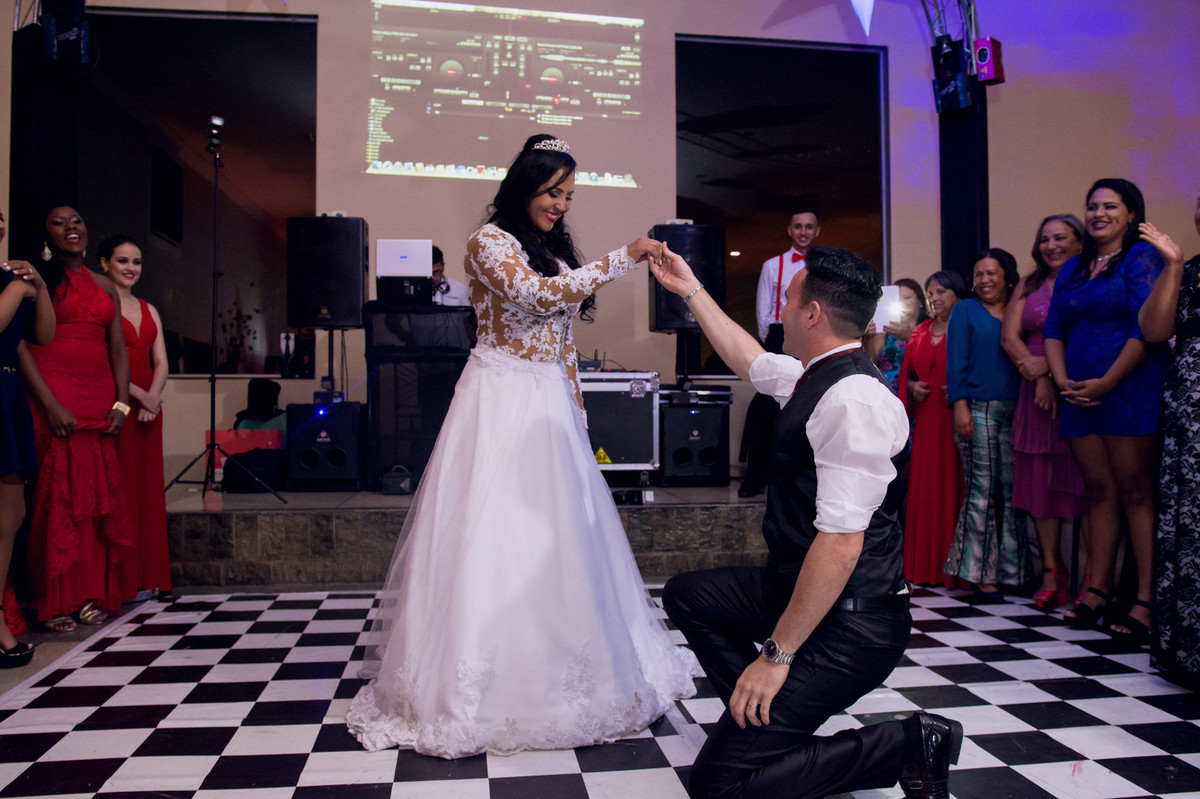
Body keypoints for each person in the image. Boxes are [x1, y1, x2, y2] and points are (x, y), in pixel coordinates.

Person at [346, 134, 699, 758]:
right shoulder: (489, 244)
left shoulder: (552, 251)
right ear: (523, 187)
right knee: (494, 537)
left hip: (547, 404)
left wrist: (577, 410)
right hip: (499, 400)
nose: (562, 205)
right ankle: (478, 693)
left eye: (568, 195)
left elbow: (561, 340)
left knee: (558, 543)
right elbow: (536, 298)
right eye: (552, 192)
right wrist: (627, 255)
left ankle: (573, 677)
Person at [653, 243, 962, 799]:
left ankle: (906, 743)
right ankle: (763, 728)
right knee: (688, 595)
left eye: (789, 302)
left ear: (813, 314)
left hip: (853, 625)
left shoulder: (855, 402)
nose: (779, 313)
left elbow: (842, 545)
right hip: (800, 593)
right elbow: (748, 357)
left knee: (719, 787)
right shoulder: (815, 377)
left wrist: (776, 656)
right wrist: (690, 289)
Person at [1044, 178, 1168, 644]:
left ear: (1131, 214)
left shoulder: (1142, 258)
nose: (1098, 213)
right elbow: (1055, 326)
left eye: (1109, 206)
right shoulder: (1076, 266)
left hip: (1128, 386)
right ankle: (1098, 587)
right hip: (1077, 392)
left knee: (1135, 489)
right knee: (1099, 490)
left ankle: (1145, 599)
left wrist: (1108, 381)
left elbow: (1147, 327)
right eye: (1092, 206)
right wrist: (1060, 380)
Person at [17, 206, 133, 632]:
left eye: (78, 221)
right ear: (44, 235)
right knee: (59, 503)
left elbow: (117, 349)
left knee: (95, 501)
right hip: (54, 398)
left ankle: (89, 592)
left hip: (99, 403)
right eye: (59, 222)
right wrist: (49, 405)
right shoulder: (33, 280)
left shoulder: (103, 284)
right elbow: (18, 346)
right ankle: (55, 600)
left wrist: (121, 404)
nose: (71, 227)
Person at [1001, 215, 1089, 610]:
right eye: (1045, 239)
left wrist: (1053, 374)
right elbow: (1010, 336)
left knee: (1086, 484)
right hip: (1034, 395)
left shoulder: (1089, 277)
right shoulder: (1030, 283)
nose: (1051, 245)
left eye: (1061, 238)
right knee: (1039, 486)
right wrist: (1035, 373)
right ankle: (1053, 570)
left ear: (1078, 241)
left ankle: (1092, 576)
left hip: (1078, 385)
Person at [1136, 200, 1198, 678]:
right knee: (1186, 520)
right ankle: (1185, 652)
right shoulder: (1188, 271)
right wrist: (1174, 264)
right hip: (1188, 408)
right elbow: (1154, 330)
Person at [944, 249, 1027, 597]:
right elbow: (956, 361)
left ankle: (1013, 571)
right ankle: (977, 573)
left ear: (1008, 275)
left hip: (1018, 410)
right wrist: (959, 405)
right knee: (981, 492)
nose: (984, 280)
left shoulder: (1020, 309)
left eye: (991, 273)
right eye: (978, 274)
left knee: (1012, 492)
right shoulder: (965, 310)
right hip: (976, 408)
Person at [99, 235, 172, 602]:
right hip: (120, 402)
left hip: (149, 409)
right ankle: (120, 581)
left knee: (146, 488)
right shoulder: (101, 305)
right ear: (104, 264)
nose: (130, 268)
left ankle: (147, 576)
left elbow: (161, 361)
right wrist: (140, 395)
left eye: (136, 262)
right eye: (123, 261)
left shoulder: (149, 308)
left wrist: (154, 398)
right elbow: (104, 361)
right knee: (122, 487)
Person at [0, 210, 55, 668]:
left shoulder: (8, 274)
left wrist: (36, 285)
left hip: (7, 390)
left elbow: (43, 334)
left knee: (12, 511)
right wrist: (17, 289)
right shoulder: (7, 283)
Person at [739, 207, 821, 498]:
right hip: (778, 335)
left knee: (807, 406)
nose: (803, 232)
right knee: (765, 407)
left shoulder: (823, 269)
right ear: (790, 230)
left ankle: (800, 480)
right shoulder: (773, 265)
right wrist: (773, 341)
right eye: (798, 226)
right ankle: (754, 478)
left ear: (816, 231)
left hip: (811, 336)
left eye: (808, 227)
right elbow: (763, 309)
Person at [898, 270, 968, 587]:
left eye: (941, 291)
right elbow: (906, 371)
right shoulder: (922, 330)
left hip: (956, 417)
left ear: (957, 294)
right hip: (926, 419)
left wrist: (964, 390)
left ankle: (955, 570)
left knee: (956, 487)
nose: (935, 298)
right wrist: (911, 386)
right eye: (931, 292)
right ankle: (923, 567)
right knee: (924, 491)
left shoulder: (966, 326)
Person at [867, 277, 929, 394]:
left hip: (916, 391)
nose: (902, 302)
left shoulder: (928, 327)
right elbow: (871, 364)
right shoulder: (885, 328)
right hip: (885, 390)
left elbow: (928, 360)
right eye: (897, 299)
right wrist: (869, 337)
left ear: (920, 301)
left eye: (907, 298)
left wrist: (908, 337)